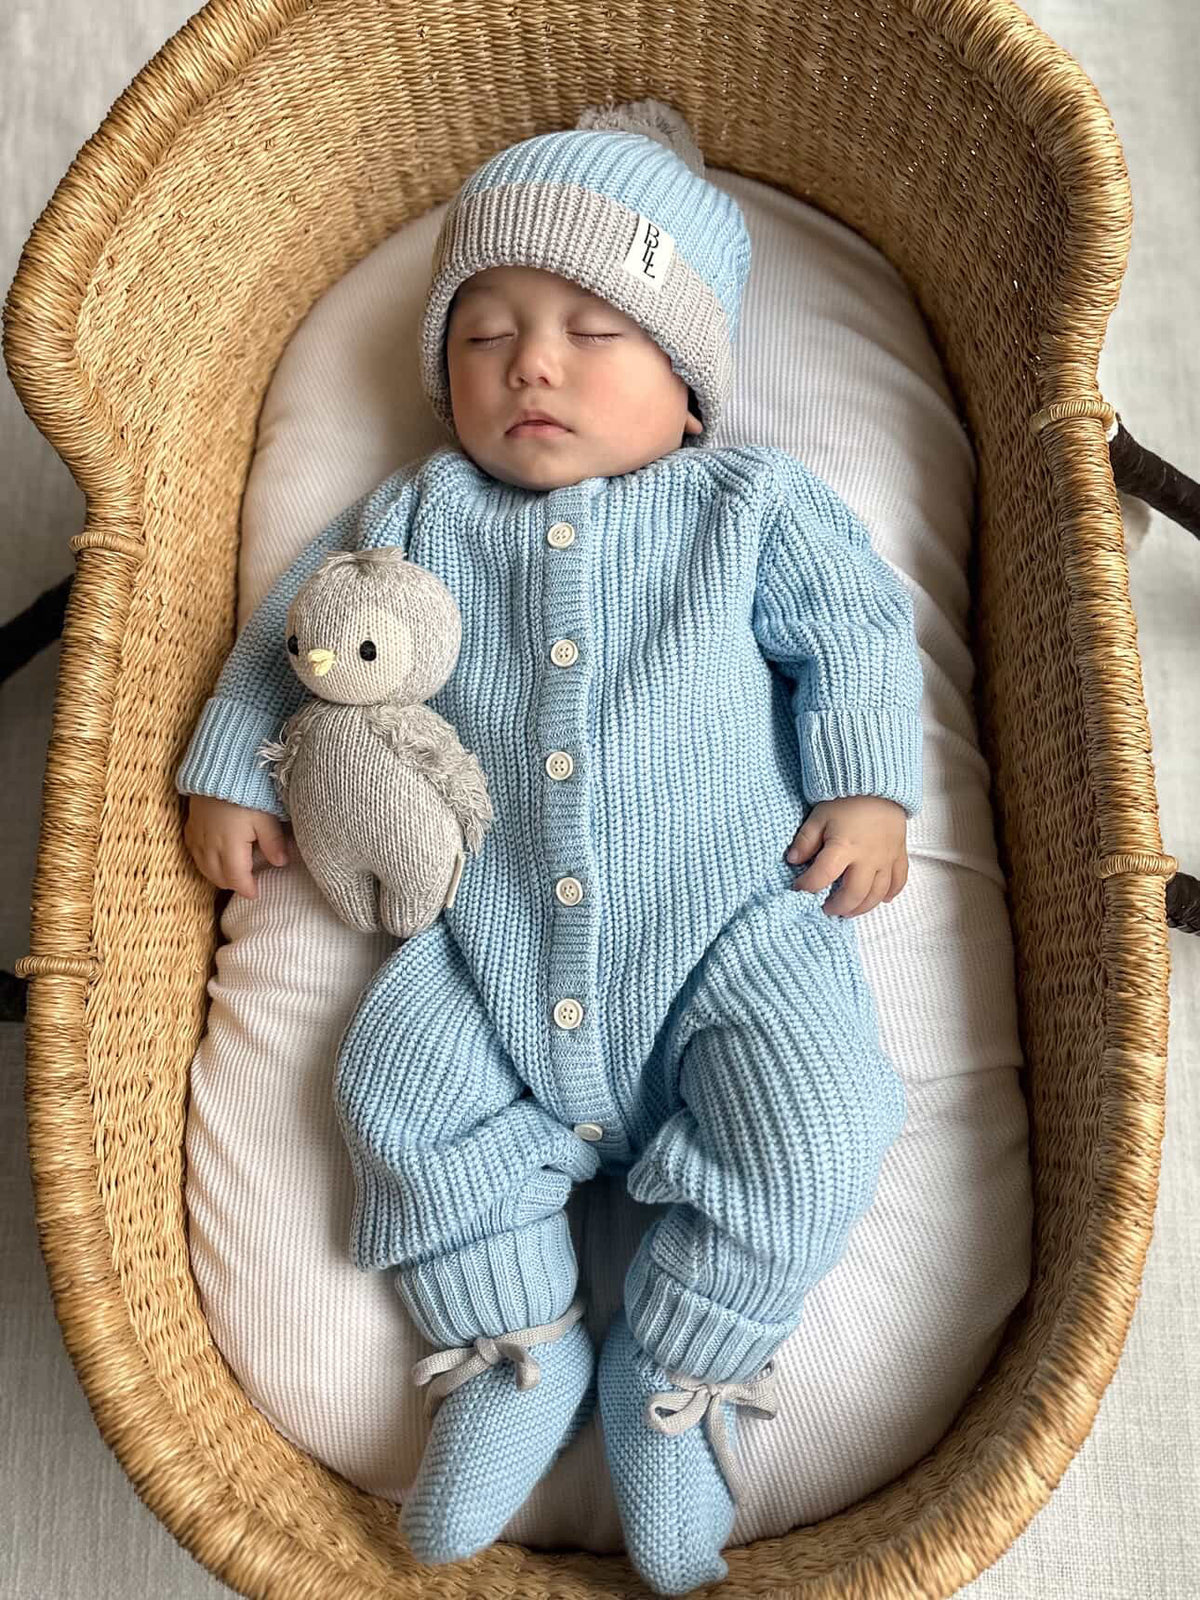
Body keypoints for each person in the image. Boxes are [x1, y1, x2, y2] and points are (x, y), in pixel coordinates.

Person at [177, 97, 923, 1597]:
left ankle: (677, 1366)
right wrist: (229, 765)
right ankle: (519, 1353)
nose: (533, 362)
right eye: (485, 332)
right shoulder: (419, 510)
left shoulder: (748, 505)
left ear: (695, 386)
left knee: (822, 1122)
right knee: (395, 1096)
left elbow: (857, 631)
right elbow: (307, 639)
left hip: (734, 929)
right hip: (489, 939)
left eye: (597, 328)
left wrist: (866, 786)